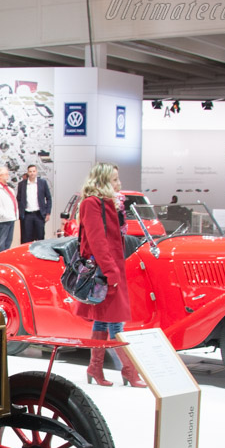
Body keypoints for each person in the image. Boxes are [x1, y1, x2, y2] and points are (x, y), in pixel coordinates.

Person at [75, 162, 144, 388]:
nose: (119, 183)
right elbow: (97, 241)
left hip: (111, 268)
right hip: (105, 271)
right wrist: (111, 272)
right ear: (103, 181)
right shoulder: (92, 204)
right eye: (114, 180)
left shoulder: (106, 203)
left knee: (104, 320)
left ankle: (95, 368)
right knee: (115, 323)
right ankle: (130, 372)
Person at [17, 164, 52, 243]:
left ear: (36, 172)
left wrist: (48, 212)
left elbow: (49, 198)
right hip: (27, 215)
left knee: (40, 237)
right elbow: (18, 199)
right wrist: (20, 211)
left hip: (39, 214)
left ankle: (40, 254)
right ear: (27, 172)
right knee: (26, 238)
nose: (32, 173)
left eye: (34, 171)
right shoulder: (22, 184)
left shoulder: (42, 183)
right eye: (30, 171)